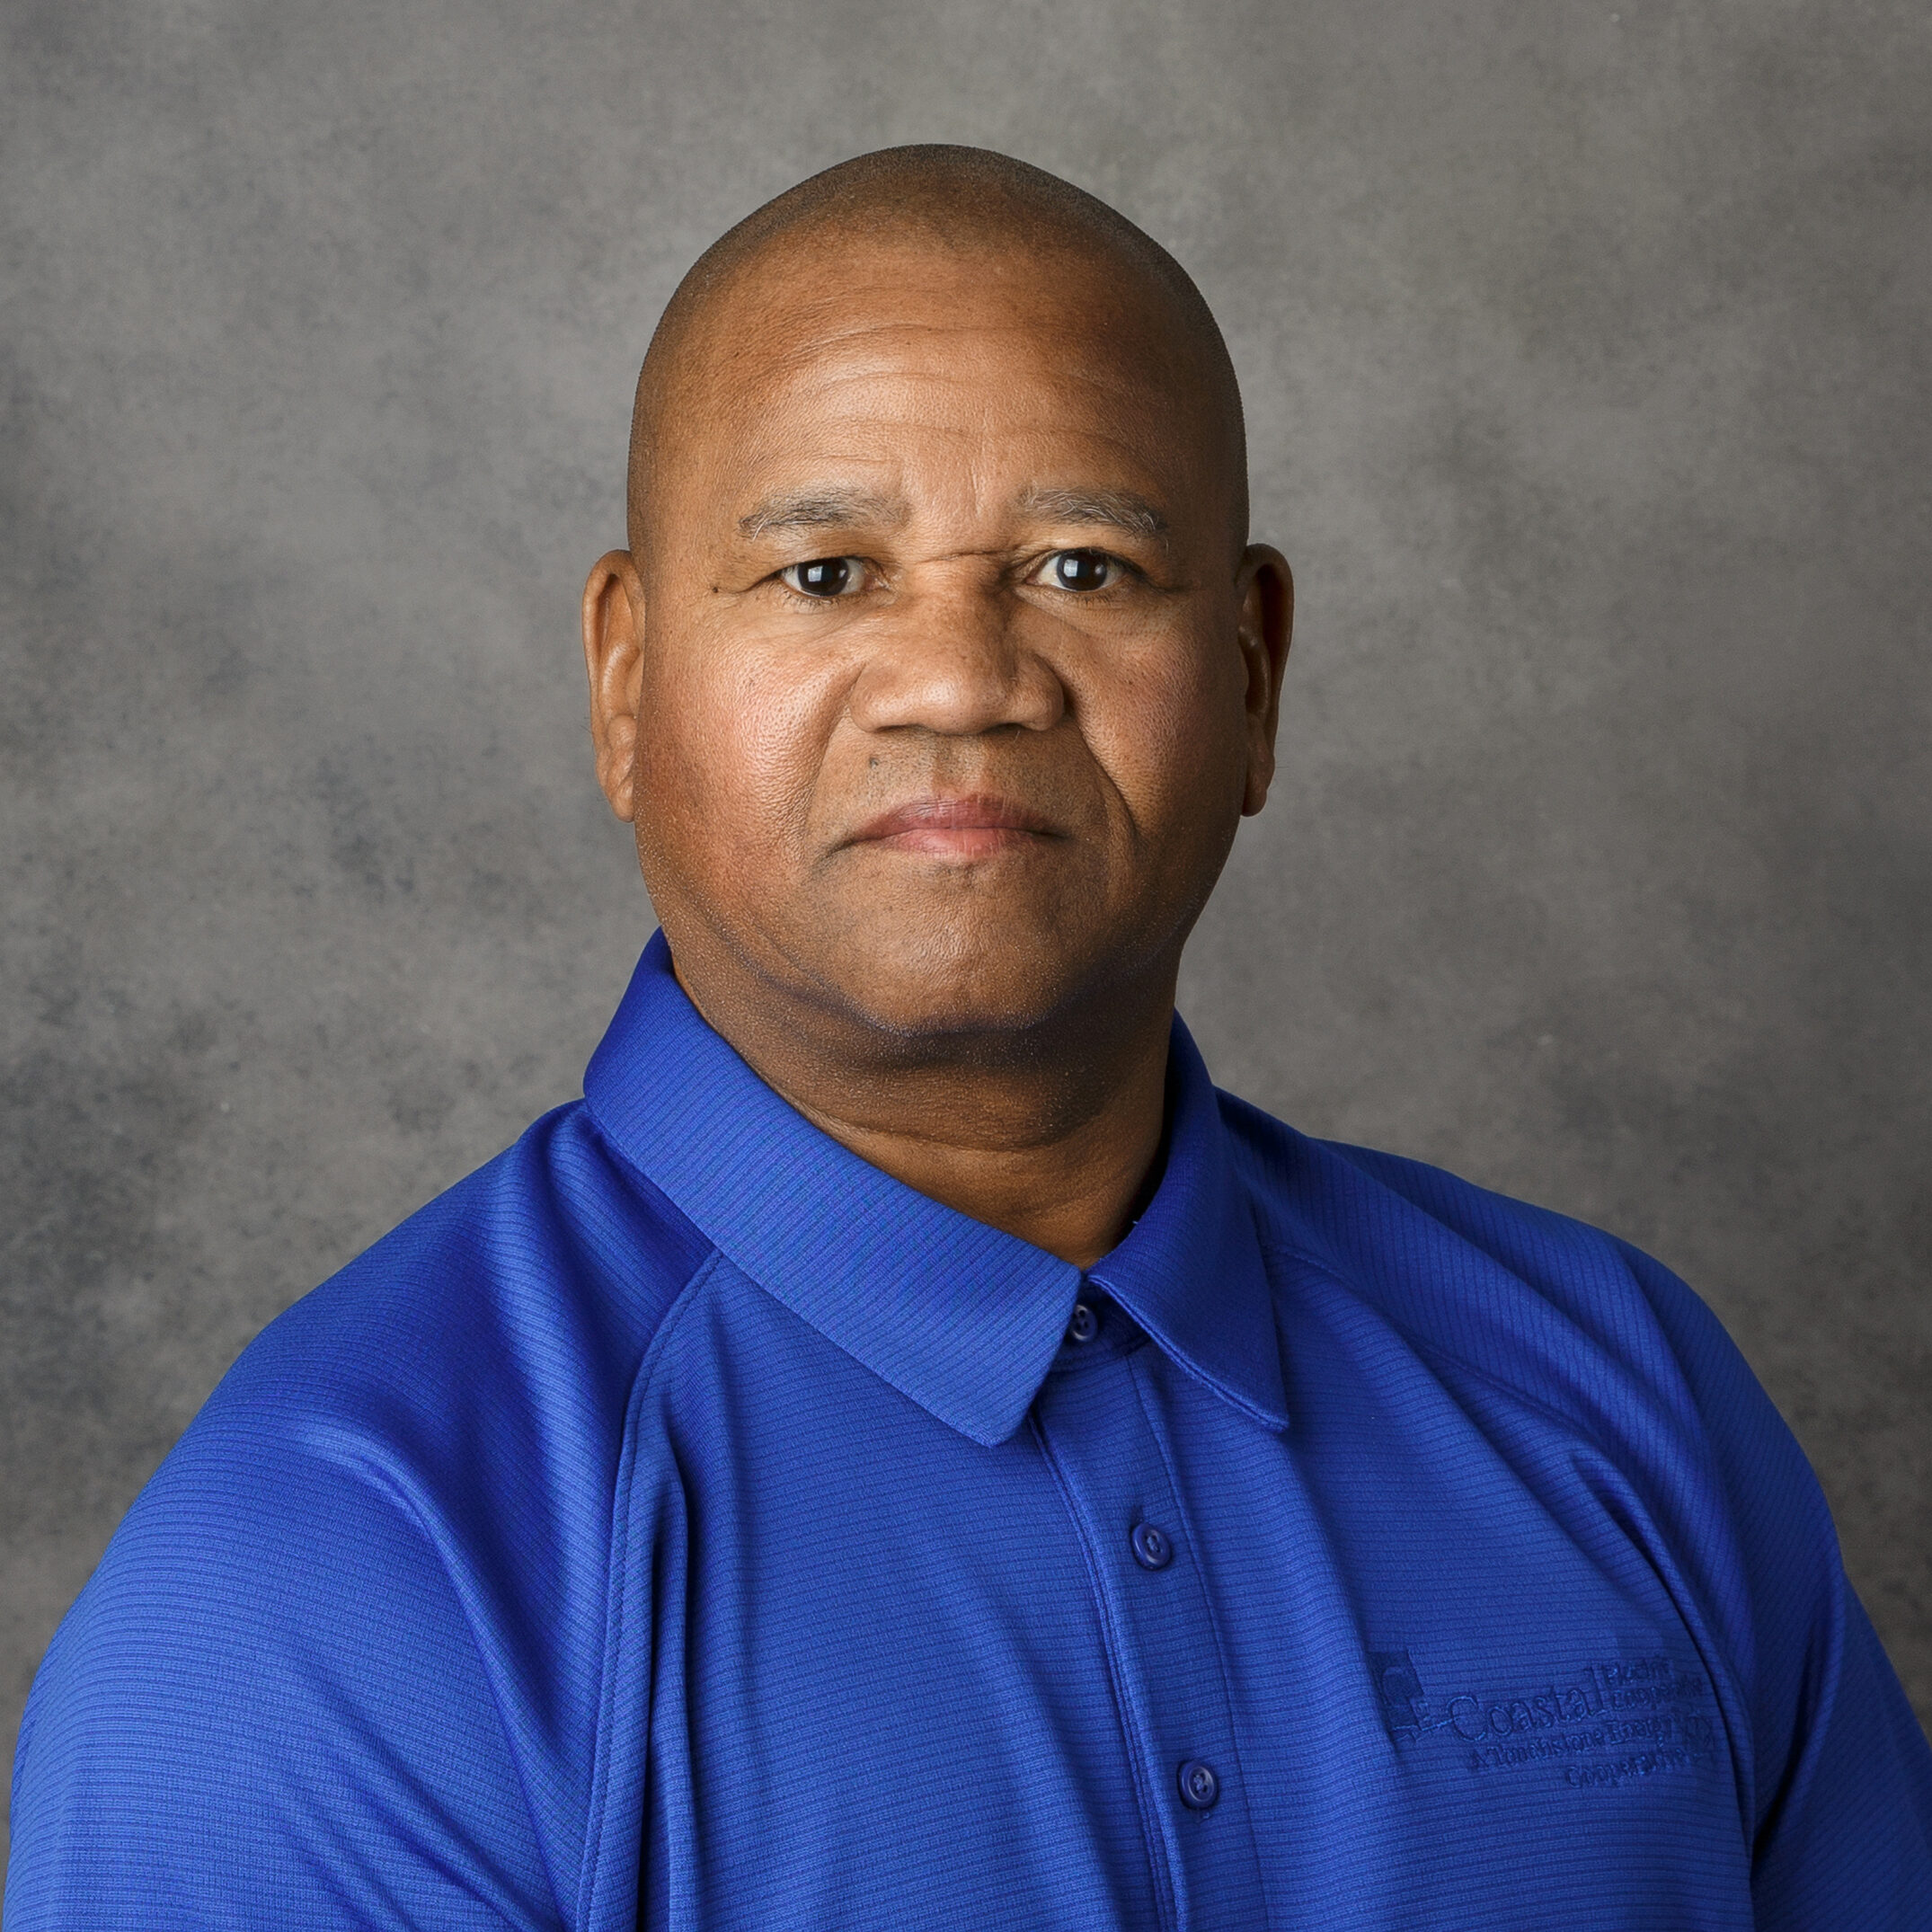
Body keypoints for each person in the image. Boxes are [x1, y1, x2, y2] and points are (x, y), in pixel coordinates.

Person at [7, 144, 1930, 1931]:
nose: (961, 675)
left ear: (1252, 678)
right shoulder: (330, 1578)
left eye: (1084, 566)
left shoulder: (1618, 1393)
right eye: (824, 572)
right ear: (625, 678)